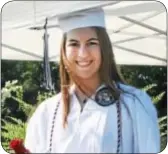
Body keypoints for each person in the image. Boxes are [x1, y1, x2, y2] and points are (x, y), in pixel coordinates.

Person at [24, 8, 160, 153]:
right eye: (74, 44)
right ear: (64, 50)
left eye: (92, 43)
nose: (83, 54)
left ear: (104, 48)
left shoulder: (134, 104)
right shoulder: (47, 112)